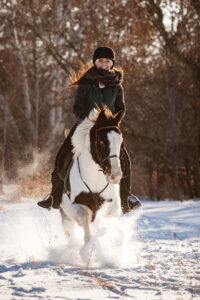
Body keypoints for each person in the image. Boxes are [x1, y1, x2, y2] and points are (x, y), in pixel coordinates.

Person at [37, 46, 141, 213]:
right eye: (101, 61)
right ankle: (54, 196)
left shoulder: (117, 86)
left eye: (107, 61)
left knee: (124, 157)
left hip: (108, 127)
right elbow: (77, 108)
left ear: (112, 64)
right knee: (63, 154)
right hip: (85, 126)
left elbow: (121, 108)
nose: (104, 64)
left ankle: (126, 198)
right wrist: (89, 118)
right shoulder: (86, 83)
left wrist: (115, 120)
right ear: (95, 63)